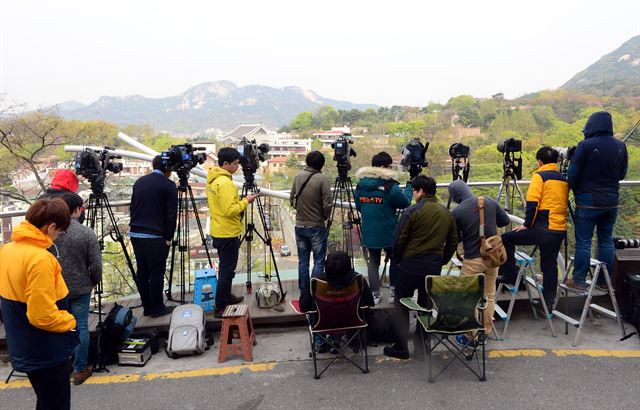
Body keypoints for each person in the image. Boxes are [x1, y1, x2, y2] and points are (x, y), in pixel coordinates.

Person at [0, 198, 77, 410]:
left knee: (45, 399)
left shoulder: (7, 250)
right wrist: (69, 321)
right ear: (51, 226)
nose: (58, 236)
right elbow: (41, 316)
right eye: (59, 232)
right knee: (56, 404)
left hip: (22, 340)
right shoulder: (40, 259)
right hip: (45, 348)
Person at [384, 176, 458, 359]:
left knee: (402, 304)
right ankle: (421, 347)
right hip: (432, 267)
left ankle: (401, 347)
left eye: (415, 191)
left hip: (409, 266)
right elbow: (453, 241)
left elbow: (399, 239)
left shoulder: (412, 211)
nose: (414, 194)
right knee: (425, 306)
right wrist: (441, 260)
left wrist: (397, 260)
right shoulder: (446, 213)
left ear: (421, 192)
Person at [499, 147, 568, 308]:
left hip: (543, 229)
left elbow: (533, 203)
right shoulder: (563, 179)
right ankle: (548, 302)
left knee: (506, 238)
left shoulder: (539, 176)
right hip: (559, 230)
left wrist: (526, 225)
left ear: (540, 161)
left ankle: (509, 274)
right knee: (549, 265)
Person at [567, 111, 628, 291]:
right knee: (606, 240)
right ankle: (603, 281)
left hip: (588, 201)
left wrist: (577, 187)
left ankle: (578, 281)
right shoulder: (620, 145)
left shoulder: (585, 145)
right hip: (611, 202)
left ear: (590, 126)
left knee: (584, 241)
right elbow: (622, 174)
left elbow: (573, 175)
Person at [448, 179, 510, 342]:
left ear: (455, 196)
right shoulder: (489, 201)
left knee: (466, 296)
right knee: (489, 295)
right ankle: (485, 331)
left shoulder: (458, 211)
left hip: (473, 260)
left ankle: (470, 335)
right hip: (492, 258)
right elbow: (505, 221)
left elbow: (454, 238)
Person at [55, 192, 102, 385]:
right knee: (80, 326)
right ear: (76, 210)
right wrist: (93, 281)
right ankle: (80, 370)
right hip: (81, 286)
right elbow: (96, 264)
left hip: (56, 288)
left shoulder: (50, 232)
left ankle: (61, 366)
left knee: (59, 327)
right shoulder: (86, 233)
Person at [354, 152, 412, 304]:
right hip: (389, 232)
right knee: (395, 260)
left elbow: (359, 207)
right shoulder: (389, 185)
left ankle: (374, 294)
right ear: (383, 167)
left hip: (369, 232)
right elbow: (404, 202)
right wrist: (409, 187)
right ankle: (393, 292)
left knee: (373, 263)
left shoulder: (360, 185)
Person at [207, 147, 257, 316]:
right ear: (225, 164)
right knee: (227, 272)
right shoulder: (226, 183)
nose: (237, 167)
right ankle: (220, 306)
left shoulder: (214, 180)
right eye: (235, 164)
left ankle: (226, 297)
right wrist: (246, 201)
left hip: (219, 230)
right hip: (227, 232)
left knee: (226, 269)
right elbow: (230, 210)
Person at [129, 155, 178, 318]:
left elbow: (132, 206)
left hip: (136, 233)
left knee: (142, 271)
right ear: (168, 169)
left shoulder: (140, 182)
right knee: (156, 273)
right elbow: (171, 214)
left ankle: (147, 307)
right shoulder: (169, 185)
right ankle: (157, 308)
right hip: (155, 235)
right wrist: (168, 236)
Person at [299, 251, 375, 352]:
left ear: (326, 266)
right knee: (350, 309)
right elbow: (370, 302)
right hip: (352, 321)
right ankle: (343, 340)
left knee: (314, 309)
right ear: (349, 266)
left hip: (323, 324)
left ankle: (320, 342)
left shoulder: (316, 282)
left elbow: (304, 307)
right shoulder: (358, 280)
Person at [289, 150, 332, 294]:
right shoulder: (322, 179)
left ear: (307, 162)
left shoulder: (298, 177)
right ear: (322, 164)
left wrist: (301, 212)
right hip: (316, 226)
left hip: (300, 225)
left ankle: (304, 293)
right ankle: (316, 293)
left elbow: (292, 200)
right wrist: (324, 216)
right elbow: (327, 204)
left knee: (303, 262)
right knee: (319, 261)